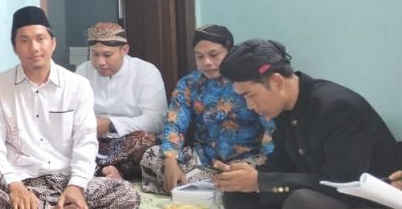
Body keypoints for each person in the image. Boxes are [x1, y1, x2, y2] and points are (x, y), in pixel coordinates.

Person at [0, 6, 139, 209]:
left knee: (125, 193)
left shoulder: (77, 85)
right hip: (18, 180)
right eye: (24, 41)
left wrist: (76, 187)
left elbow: (86, 141)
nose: (34, 47)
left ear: (53, 43)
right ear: (14, 48)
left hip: (65, 179)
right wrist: (14, 185)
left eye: (40, 39)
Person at [215, 38, 402, 209]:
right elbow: (281, 165)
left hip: (364, 201)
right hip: (324, 194)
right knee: (238, 195)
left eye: (251, 95)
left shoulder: (338, 107)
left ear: (277, 82)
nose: (250, 106)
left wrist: (263, 182)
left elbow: (344, 183)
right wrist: (241, 178)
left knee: (303, 201)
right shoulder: (285, 111)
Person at [139, 25, 273, 194]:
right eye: (199, 57)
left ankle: (212, 184)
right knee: (152, 157)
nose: (206, 62)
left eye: (214, 55)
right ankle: (212, 184)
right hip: (203, 161)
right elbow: (175, 122)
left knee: (261, 173)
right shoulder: (189, 84)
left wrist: (264, 166)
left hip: (245, 162)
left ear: (230, 52)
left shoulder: (247, 82)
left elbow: (270, 125)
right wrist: (171, 160)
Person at [74, 22, 166, 179]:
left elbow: (156, 121)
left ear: (124, 50)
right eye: (94, 54)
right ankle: (106, 171)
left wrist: (111, 124)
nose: (100, 62)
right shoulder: (83, 71)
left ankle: (110, 172)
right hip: (93, 142)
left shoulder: (145, 72)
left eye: (107, 55)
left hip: (128, 143)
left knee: (146, 141)